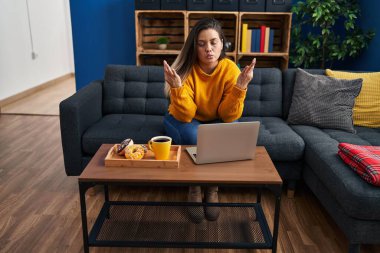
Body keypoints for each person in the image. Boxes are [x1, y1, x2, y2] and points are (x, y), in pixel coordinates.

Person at [163, 18, 256, 223]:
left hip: (215, 118)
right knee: (193, 134)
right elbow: (187, 114)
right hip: (182, 116)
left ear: (222, 43)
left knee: (230, 129)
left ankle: (213, 188)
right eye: (202, 43)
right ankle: (194, 187)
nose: (208, 49)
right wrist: (177, 87)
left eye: (213, 42)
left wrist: (240, 87)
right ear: (194, 46)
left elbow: (228, 115)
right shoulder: (186, 68)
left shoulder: (230, 69)